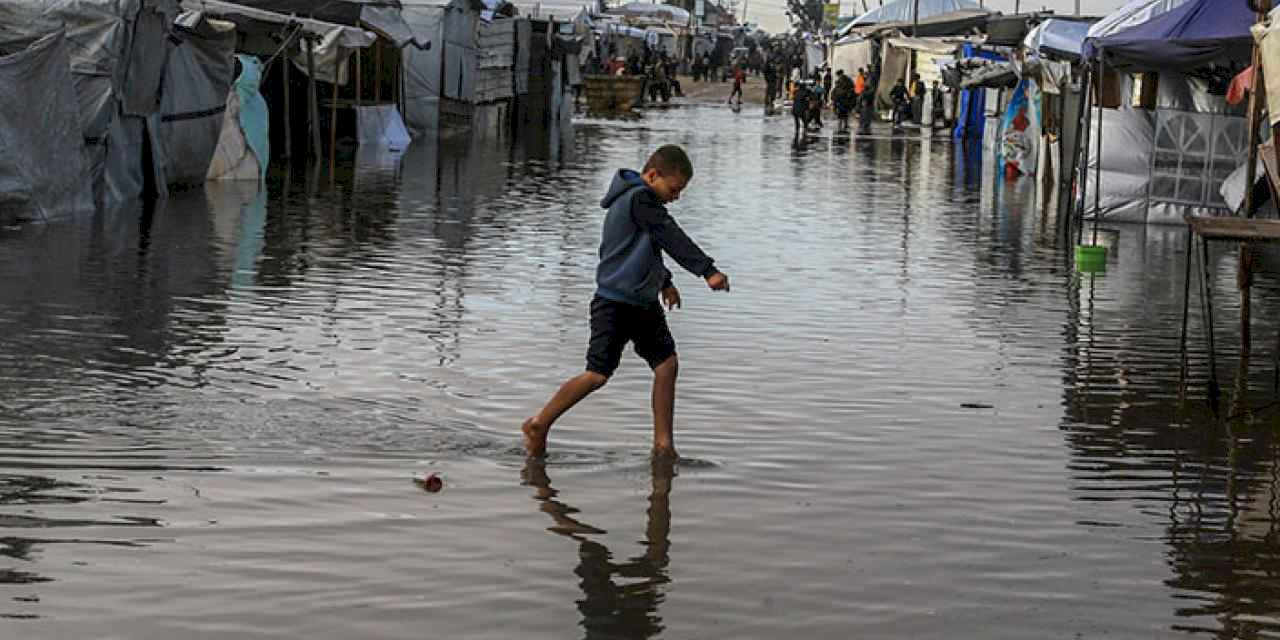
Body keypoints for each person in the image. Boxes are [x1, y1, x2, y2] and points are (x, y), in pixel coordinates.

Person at [522, 145, 731, 460]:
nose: (677, 196)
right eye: (674, 189)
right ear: (652, 175)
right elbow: (668, 234)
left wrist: (665, 282)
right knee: (597, 374)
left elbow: (647, 246)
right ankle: (540, 423)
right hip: (614, 303)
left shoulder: (642, 201)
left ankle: (663, 445)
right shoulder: (638, 199)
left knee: (667, 364)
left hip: (643, 303)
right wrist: (707, 270)